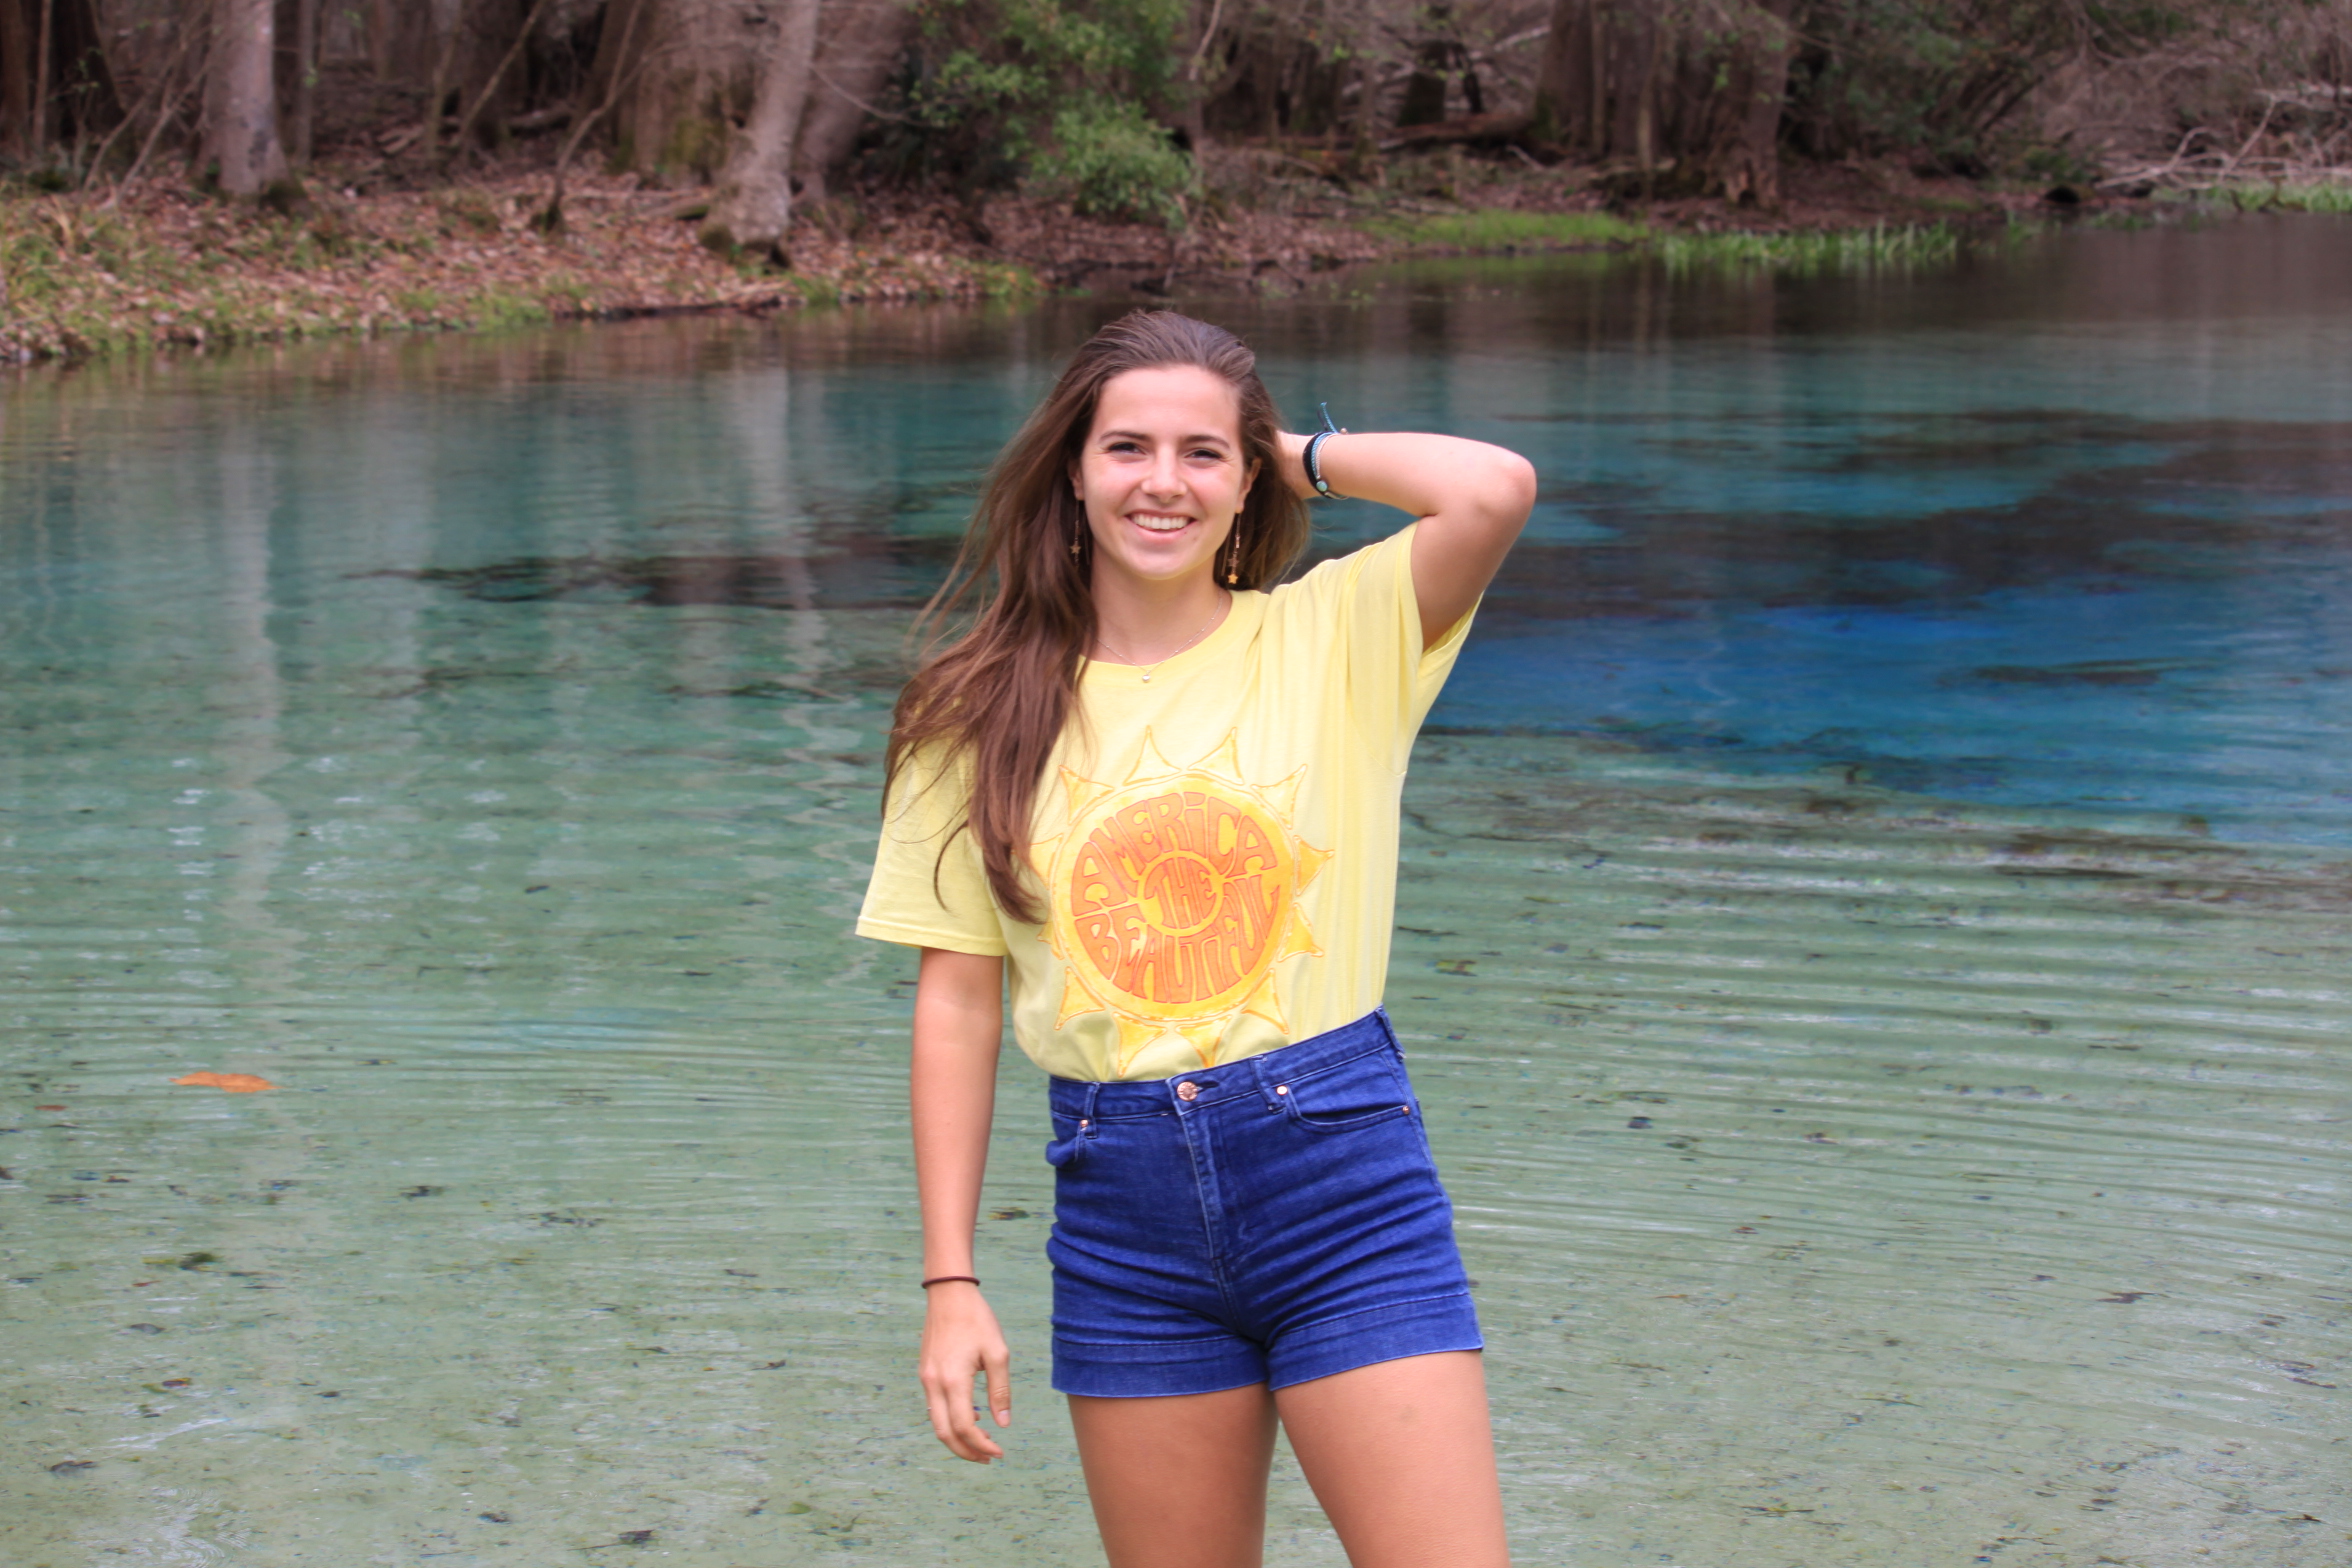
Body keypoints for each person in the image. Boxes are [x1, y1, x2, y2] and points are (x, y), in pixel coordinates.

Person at [856, 309, 1536, 1568]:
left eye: (1199, 454)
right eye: (1126, 448)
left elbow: (1492, 487)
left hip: (1343, 1184)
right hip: (1121, 1216)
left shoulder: (1336, 634)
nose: (1161, 481)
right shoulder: (974, 708)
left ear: (1246, 479)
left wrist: (1289, 454)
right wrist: (951, 1282)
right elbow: (954, 1003)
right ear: (1071, 469)